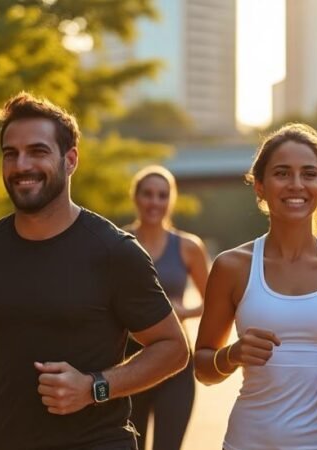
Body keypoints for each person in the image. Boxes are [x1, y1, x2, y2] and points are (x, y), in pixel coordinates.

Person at [0, 92, 189, 449]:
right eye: (10, 154)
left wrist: (95, 388)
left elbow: (173, 348)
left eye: (38, 151)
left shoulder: (114, 252)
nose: (21, 165)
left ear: (70, 159)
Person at [192, 123, 317, 450]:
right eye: (282, 173)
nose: (296, 185)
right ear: (260, 187)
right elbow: (204, 367)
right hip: (249, 441)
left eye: (308, 174)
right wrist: (232, 355)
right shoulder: (231, 267)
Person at [123, 165, 210, 450]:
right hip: (127, 363)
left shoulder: (188, 247)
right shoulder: (118, 243)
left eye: (162, 195)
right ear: (135, 197)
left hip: (176, 362)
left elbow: (214, 302)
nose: (154, 202)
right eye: (147, 194)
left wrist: (183, 312)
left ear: (170, 200)